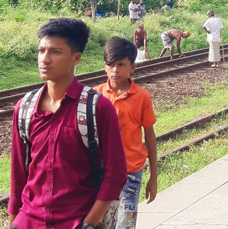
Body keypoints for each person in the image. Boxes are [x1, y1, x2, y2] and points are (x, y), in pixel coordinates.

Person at [9, 18, 127, 229]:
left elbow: (116, 173)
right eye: (41, 51)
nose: (44, 59)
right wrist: (13, 221)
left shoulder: (96, 108)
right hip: (29, 221)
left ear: (76, 58)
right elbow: (19, 173)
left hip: (75, 221)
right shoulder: (24, 108)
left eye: (55, 52)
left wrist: (90, 222)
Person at [95, 37, 158, 229]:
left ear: (132, 67)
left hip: (131, 172)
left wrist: (153, 177)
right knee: (100, 223)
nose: (115, 70)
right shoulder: (95, 96)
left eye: (121, 64)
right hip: (100, 173)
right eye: (110, 65)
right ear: (104, 66)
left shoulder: (141, 97)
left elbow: (150, 136)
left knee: (125, 224)